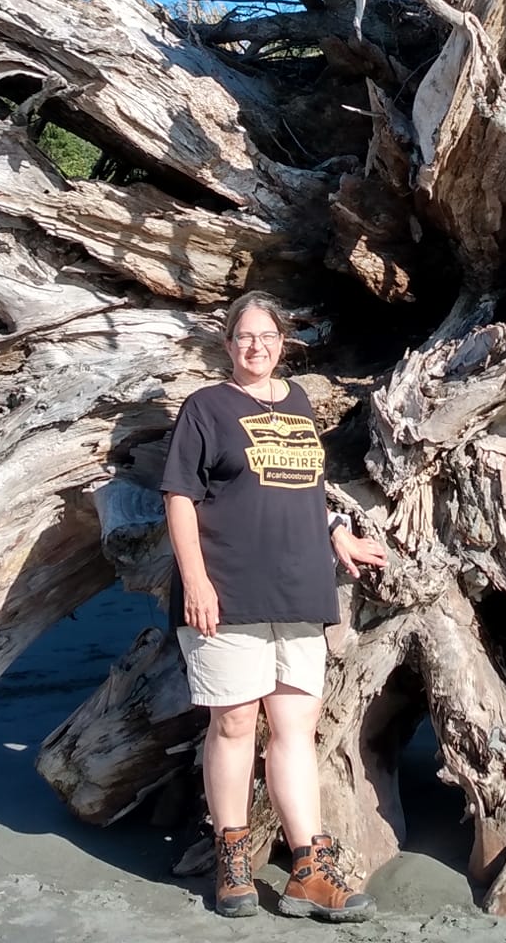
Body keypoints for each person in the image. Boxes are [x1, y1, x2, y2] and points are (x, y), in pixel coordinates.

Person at [162, 291, 390, 921]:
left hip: (300, 591)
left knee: (294, 730)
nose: (256, 347)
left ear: (283, 342)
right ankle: (233, 862)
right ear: (228, 345)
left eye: (267, 336)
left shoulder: (298, 403)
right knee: (234, 724)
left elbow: (304, 487)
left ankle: (307, 872)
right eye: (244, 338)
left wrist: (337, 533)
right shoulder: (205, 408)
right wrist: (196, 581)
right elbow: (179, 497)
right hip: (227, 592)